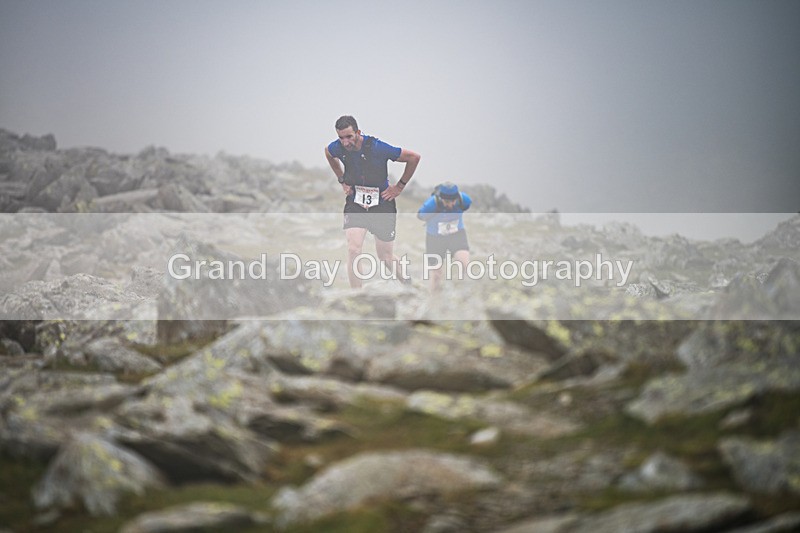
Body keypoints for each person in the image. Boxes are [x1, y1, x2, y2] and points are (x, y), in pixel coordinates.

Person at [325, 115, 421, 288]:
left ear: (358, 132)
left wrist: (399, 187)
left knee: (385, 256)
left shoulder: (378, 147)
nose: (345, 142)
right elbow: (328, 152)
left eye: (349, 137)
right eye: (341, 138)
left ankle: (409, 285)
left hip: (382, 202)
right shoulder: (337, 147)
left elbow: (414, 157)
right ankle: (357, 299)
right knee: (353, 249)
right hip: (356, 201)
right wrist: (342, 179)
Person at [417, 182, 472, 292]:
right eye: (447, 202)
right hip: (435, 238)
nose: (450, 205)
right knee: (436, 274)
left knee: (465, 263)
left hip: (456, 234)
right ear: (441, 199)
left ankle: (468, 293)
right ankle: (433, 300)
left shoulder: (464, 200)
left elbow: (466, 206)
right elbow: (420, 215)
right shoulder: (432, 204)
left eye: (453, 201)